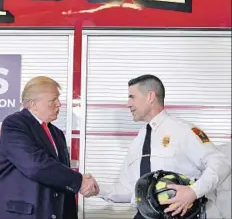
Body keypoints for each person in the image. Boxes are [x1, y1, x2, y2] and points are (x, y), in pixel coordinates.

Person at [91, 74, 231, 219]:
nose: (128, 104)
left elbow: (221, 163)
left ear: (150, 97)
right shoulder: (138, 142)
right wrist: (98, 190)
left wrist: (193, 192)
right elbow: (130, 190)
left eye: (132, 97)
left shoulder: (183, 131)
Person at [0, 76, 97, 219]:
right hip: (24, 214)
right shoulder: (15, 124)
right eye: (53, 100)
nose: (59, 104)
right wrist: (79, 181)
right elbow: (35, 165)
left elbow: (59, 175)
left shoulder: (57, 133)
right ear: (34, 104)